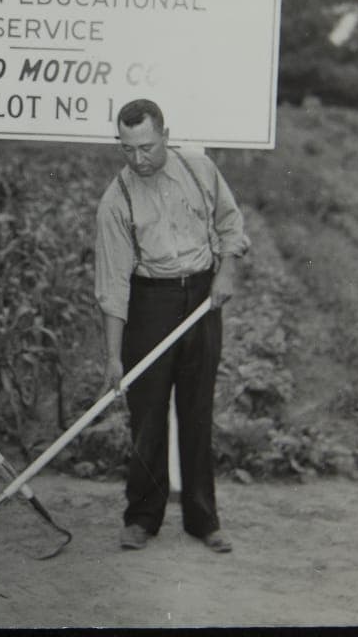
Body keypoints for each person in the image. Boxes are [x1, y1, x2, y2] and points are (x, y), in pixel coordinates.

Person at [94, 98, 250, 555]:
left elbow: (230, 224)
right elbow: (112, 286)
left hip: (203, 295)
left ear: (165, 133)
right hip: (151, 303)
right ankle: (142, 515)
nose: (138, 159)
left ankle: (203, 518)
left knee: (198, 408)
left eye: (146, 147)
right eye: (127, 149)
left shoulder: (200, 170)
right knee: (147, 413)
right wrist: (113, 357)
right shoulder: (115, 200)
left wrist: (226, 272)